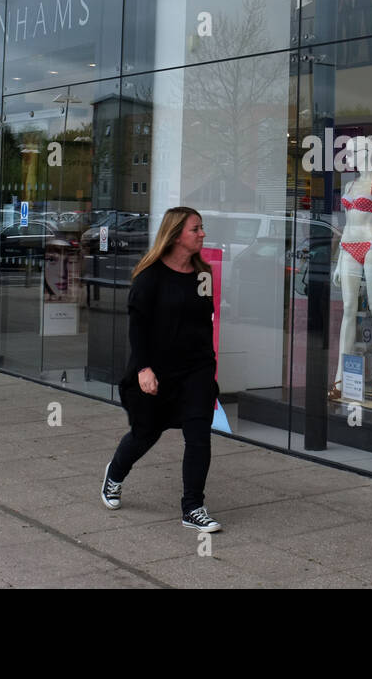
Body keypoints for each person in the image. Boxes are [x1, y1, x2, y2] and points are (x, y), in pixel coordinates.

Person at [102, 206, 222, 532]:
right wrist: (143, 368)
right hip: (155, 369)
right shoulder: (150, 276)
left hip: (195, 369)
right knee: (146, 433)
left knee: (198, 435)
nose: (202, 234)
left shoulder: (203, 275)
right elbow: (137, 327)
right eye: (195, 229)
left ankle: (193, 507)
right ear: (176, 235)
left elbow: (203, 323)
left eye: (201, 228)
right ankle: (114, 474)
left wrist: (208, 367)